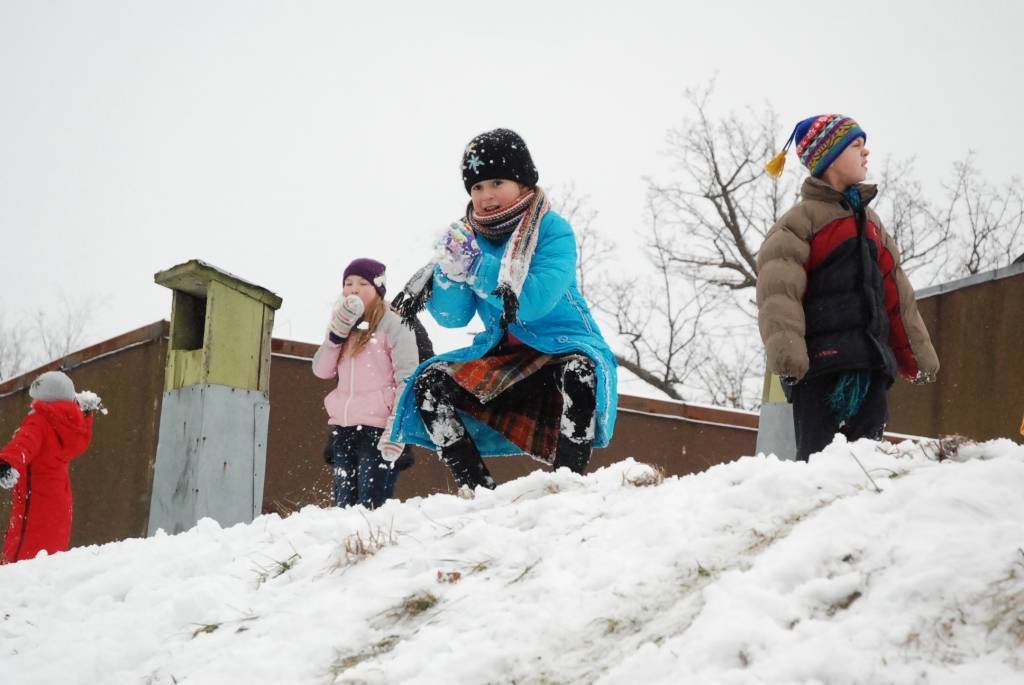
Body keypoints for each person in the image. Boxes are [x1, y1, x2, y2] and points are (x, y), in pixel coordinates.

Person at [389, 128, 617, 490]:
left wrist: (476, 269)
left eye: (496, 182)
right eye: (476, 187)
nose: (486, 196)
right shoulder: (469, 238)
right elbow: (454, 317)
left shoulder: (552, 231)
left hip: (562, 348)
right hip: (506, 355)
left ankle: (568, 485)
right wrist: (449, 274)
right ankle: (476, 490)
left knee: (580, 371)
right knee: (430, 384)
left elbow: (533, 301)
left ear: (524, 184)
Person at [757, 114, 939, 461]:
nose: (866, 152)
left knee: (866, 460)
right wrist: (789, 356)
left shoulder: (871, 225)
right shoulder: (799, 224)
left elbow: (896, 295)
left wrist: (916, 354)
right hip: (819, 370)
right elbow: (779, 296)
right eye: (856, 145)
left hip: (870, 365)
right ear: (829, 157)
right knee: (819, 461)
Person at [312, 258, 419, 509]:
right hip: (344, 427)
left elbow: (408, 376)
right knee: (344, 505)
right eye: (348, 283)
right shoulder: (342, 325)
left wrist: (397, 427)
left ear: (378, 288)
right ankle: (351, 548)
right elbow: (321, 371)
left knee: (371, 506)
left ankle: (373, 548)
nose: (353, 289)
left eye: (362, 283)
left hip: (379, 429)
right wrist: (334, 338)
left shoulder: (395, 324)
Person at [0, 371, 95, 563]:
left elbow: (24, 444)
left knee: (20, 558)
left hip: (35, 502)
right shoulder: (69, 426)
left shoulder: (40, 421)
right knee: (48, 557)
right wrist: (84, 414)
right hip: (59, 502)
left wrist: (6, 463)